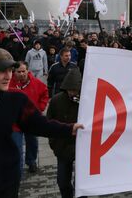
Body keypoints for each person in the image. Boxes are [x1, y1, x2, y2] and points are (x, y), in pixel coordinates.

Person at [0, 48, 82, 198]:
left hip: (7, 181)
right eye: (1, 71)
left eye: (11, 70)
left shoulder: (17, 99)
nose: (8, 76)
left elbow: (40, 124)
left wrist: (70, 128)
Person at [47, 68, 86, 198]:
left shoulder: (86, 101)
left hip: (82, 147)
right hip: (63, 146)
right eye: (70, 89)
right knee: (63, 181)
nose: (73, 92)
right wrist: (54, 144)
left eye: (75, 90)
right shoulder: (56, 101)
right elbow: (49, 123)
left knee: (82, 183)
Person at [9, 61, 49, 174]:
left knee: (32, 142)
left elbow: (45, 94)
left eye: (24, 71)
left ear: (27, 71)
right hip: (15, 122)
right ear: (14, 72)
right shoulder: (8, 83)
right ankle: (18, 169)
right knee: (16, 146)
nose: (22, 74)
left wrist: (40, 108)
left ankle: (31, 161)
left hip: (31, 120)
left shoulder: (36, 83)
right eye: (19, 72)